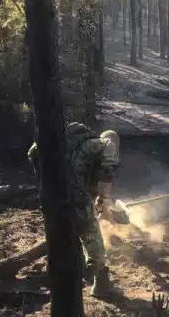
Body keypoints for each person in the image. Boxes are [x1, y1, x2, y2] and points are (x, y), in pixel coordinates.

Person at [27, 122, 120, 298]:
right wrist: (104, 199)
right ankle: (101, 283)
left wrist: (43, 181)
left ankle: (61, 279)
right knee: (91, 234)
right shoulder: (107, 144)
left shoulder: (70, 142)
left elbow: (32, 153)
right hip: (76, 197)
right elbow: (108, 169)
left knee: (61, 235)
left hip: (51, 196)